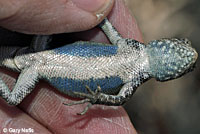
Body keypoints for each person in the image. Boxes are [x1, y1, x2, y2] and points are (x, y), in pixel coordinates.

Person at [0, 0, 142, 133]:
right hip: (41, 52)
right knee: (52, 23)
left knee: (13, 99)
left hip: (37, 67)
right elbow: (104, 23)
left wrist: (97, 98)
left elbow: (118, 99)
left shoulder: (133, 78)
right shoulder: (133, 47)